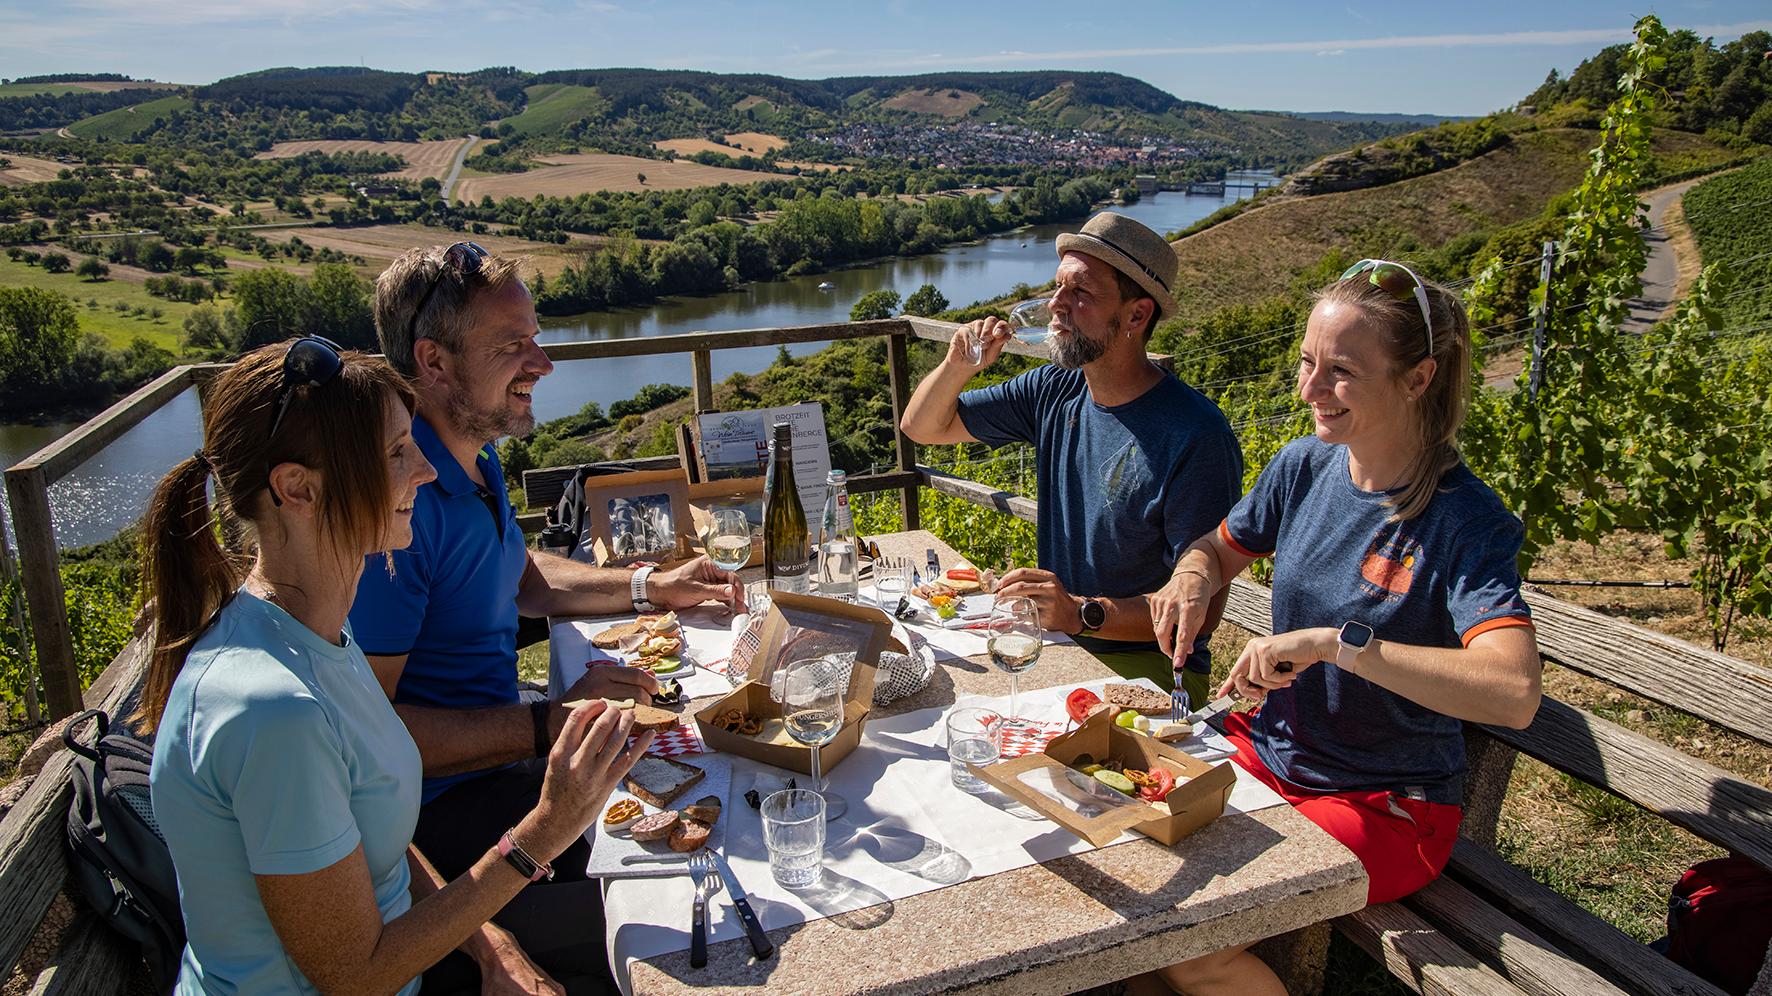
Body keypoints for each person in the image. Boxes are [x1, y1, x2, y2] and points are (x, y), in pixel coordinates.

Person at [143, 338, 653, 994]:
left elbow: (365, 839)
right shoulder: (274, 711)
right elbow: (354, 975)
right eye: (393, 453)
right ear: (296, 489)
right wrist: (545, 828)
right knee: (668, 933)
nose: (425, 470)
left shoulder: (318, 638)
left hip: (411, 959)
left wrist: (489, 948)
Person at [1145, 261, 1542, 995]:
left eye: (1341, 373)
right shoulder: (1306, 466)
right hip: (1272, 757)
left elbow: (1513, 692)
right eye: (1307, 363)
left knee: (1189, 944)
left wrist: (1337, 644)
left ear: (1418, 379)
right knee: (1131, 860)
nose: (1309, 391)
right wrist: (1193, 576)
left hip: (1385, 804)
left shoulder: (1463, 520)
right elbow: (1218, 547)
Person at [349, 243, 740, 984]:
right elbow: (370, 743)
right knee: (697, 895)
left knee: (701, 772)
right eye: (513, 344)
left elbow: (524, 580)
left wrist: (649, 587)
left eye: (534, 336)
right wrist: (548, 721)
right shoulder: (401, 504)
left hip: (504, 760)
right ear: (433, 362)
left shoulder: (471, 451)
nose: (544, 362)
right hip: (440, 822)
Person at [899, 212, 1242, 707]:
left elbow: (1199, 613)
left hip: (1149, 669)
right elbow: (923, 427)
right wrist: (959, 365)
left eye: (1080, 293)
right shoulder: (1056, 388)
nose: (1056, 306)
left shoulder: (1195, 435)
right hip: (1060, 643)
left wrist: (1081, 613)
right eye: (1056, 287)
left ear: (1136, 316)